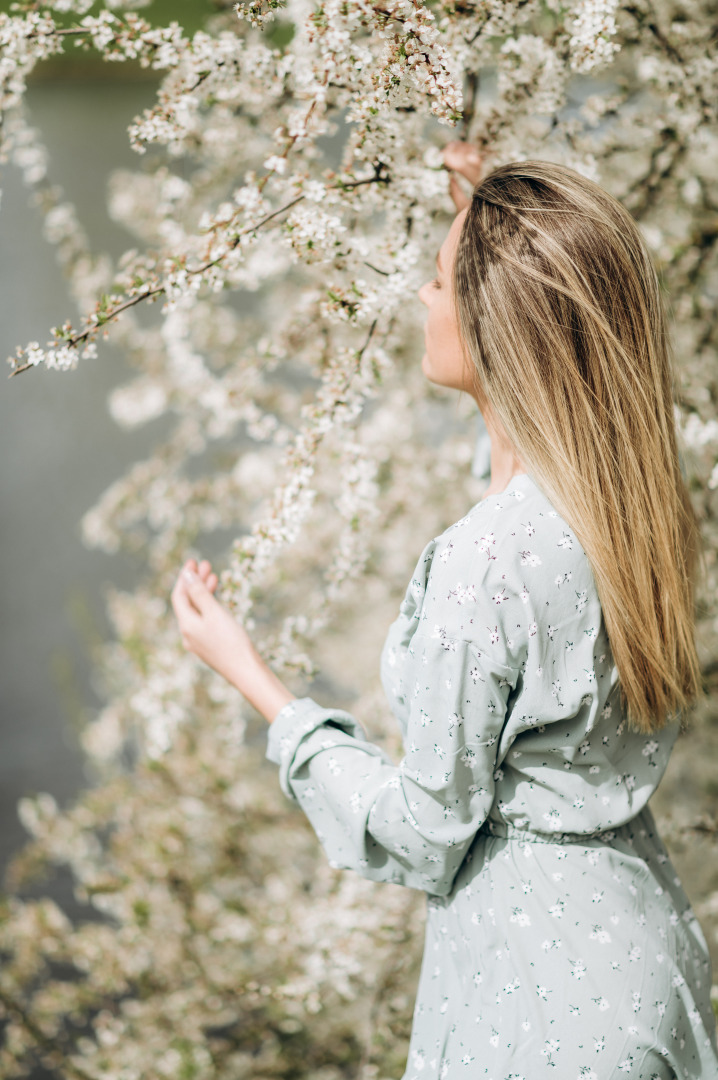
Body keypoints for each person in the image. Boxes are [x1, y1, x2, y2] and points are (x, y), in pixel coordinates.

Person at [170, 142, 718, 1078]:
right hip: (640, 959)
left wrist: (258, 685)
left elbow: (424, 832)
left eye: (436, 279)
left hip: (537, 1001)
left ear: (496, 323)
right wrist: (491, 216)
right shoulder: (632, 502)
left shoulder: (485, 562)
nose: (422, 299)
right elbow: (528, 465)